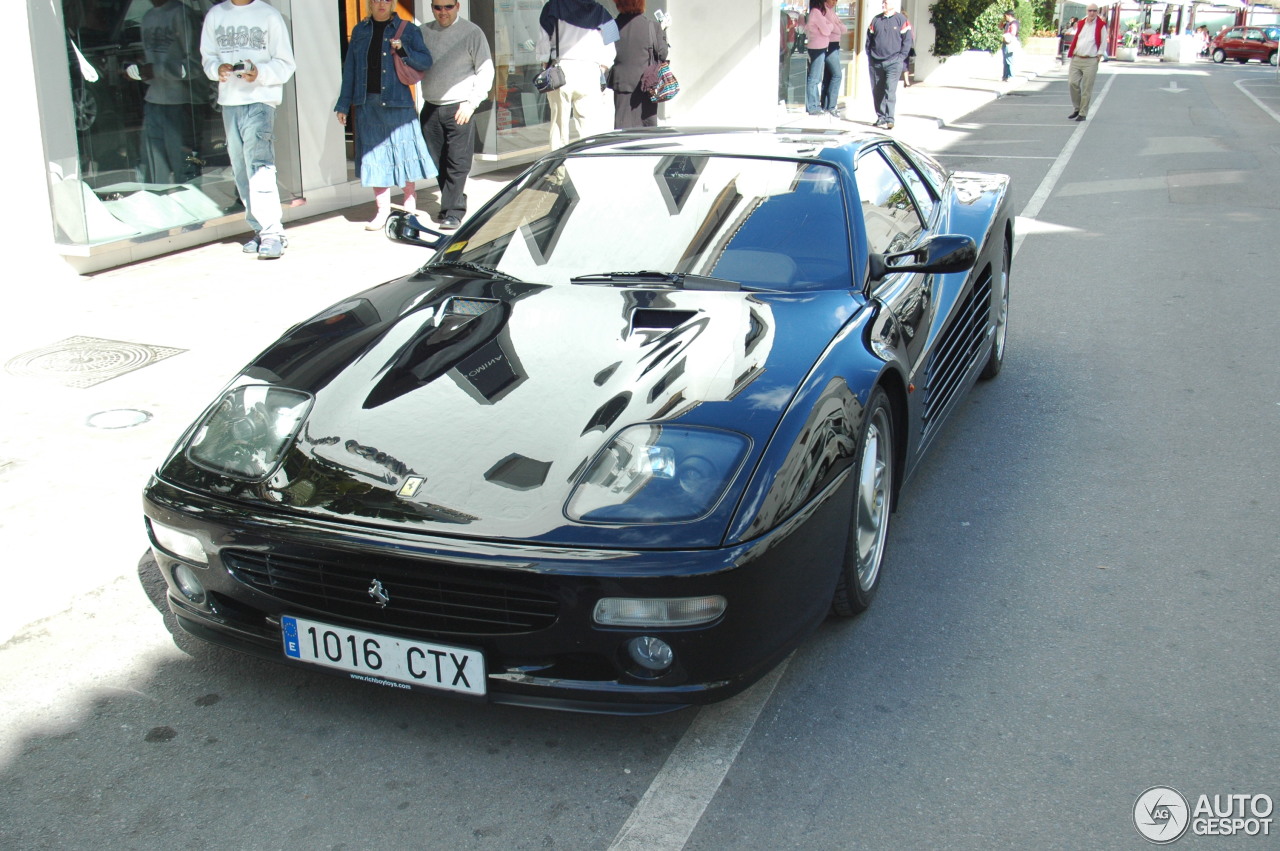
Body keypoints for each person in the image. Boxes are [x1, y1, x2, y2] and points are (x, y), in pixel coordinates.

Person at [200, 0, 296, 259]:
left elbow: (286, 63)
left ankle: (272, 232)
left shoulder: (268, 15)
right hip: (230, 101)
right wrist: (216, 69)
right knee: (242, 168)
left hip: (260, 100)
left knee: (259, 164)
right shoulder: (216, 15)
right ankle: (260, 228)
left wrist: (259, 72)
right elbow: (208, 57)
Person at [336, 0, 437, 232]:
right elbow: (350, 68)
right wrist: (343, 104)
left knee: (403, 153)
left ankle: (409, 203)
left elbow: (425, 61)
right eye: (376, 0)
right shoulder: (360, 31)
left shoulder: (408, 29)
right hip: (367, 102)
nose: (381, 4)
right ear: (370, 4)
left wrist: (402, 49)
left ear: (392, 3)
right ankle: (382, 210)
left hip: (398, 102)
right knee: (375, 157)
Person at [419, 0, 493, 231]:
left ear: (458, 6)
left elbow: (485, 69)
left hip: (460, 107)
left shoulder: (472, 32)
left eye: (448, 7)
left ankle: (452, 211)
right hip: (431, 106)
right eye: (437, 7)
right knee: (437, 162)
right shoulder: (422, 32)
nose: (443, 12)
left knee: (457, 162)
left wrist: (471, 104)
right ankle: (456, 200)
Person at [130, 0, 205, 185]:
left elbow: (195, 65)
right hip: (154, 100)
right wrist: (142, 72)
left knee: (185, 169)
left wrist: (156, 70)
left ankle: (193, 208)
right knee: (153, 171)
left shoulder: (181, 14)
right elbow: (151, 59)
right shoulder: (148, 17)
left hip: (181, 103)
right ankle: (159, 209)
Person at [536, 0, 618, 151]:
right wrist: (601, 69)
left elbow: (543, 41)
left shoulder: (552, 6)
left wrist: (545, 64)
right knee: (589, 129)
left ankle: (558, 171)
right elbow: (611, 49)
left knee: (559, 127)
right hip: (590, 71)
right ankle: (586, 169)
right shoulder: (602, 12)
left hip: (560, 70)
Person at [608, 0, 668, 129]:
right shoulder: (653, 26)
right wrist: (664, 31)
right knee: (647, 130)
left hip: (622, 84)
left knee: (623, 130)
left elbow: (605, 53)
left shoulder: (611, 27)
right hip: (647, 84)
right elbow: (662, 54)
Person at [866, 0, 912, 130]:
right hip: (876, 62)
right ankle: (881, 117)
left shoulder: (901, 19)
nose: (883, 5)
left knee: (890, 90)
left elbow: (907, 41)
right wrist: (870, 56)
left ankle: (890, 118)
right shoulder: (876, 20)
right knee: (877, 90)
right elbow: (869, 39)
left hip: (894, 62)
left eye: (885, 2)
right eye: (882, 3)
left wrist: (901, 57)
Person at [1066, 4, 1108, 122]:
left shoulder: (1100, 25)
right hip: (1077, 57)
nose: (1092, 13)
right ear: (1087, 11)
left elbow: (1104, 41)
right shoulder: (1081, 23)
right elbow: (1077, 38)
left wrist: (1099, 56)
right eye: (1090, 11)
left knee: (1086, 88)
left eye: (1094, 11)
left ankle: (1083, 113)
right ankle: (1077, 108)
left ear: (1097, 12)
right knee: (1072, 83)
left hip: (1091, 59)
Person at [805, 0, 846, 117]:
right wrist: (833, 25)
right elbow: (829, 30)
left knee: (820, 77)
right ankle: (815, 106)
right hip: (819, 46)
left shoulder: (821, 12)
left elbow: (841, 28)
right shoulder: (817, 12)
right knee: (815, 78)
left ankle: (820, 105)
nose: (834, 2)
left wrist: (833, 25)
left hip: (822, 46)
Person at [1001, 9, 1018, 82]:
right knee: (1005, 60)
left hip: (1010, 43)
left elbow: (1013, 33)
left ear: (1009, 15)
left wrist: (1007, 35)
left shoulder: (1013, 24)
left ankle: (1010, 75)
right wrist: (1002, 21)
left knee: (1009, 60)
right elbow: (1000, 26)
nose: (1005, 17)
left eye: (1005, 16)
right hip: (1006, 42)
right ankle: (1005, 76)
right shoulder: (1007, 23)